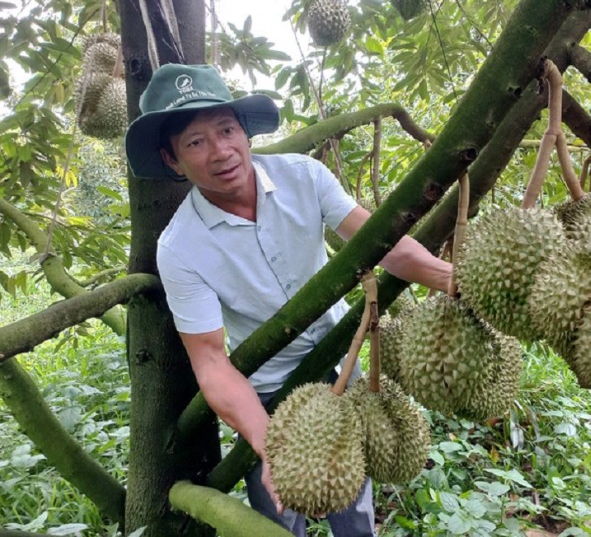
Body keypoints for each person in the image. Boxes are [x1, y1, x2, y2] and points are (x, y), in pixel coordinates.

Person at [125, 63, 452, 536]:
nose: (221, 151)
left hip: (344, 361)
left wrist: (452, 280)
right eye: (196, 142)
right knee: (278, 515)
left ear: (245, 132)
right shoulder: (180, 248)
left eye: (226, 129)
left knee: (355, 509)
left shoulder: (304, 176)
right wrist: (267, 442)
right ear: (172, 160)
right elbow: (212, 361)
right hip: (267, 392)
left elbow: (384, 244)